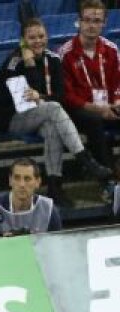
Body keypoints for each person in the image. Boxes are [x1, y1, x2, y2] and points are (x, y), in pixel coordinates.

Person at [0, 17, 113, 207]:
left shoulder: (53, 59)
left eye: (41, 36)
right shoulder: (13, 62)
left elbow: (60, 95)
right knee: (54, 109)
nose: (37, 41)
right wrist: (30, 64)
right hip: (14, 118)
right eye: (32, 38)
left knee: (52, 128)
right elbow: (22, 103)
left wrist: (40, 97)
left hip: (43, 114)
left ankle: (54, 188)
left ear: (47, 36)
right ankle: (85, 159)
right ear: (23, 40)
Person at [56, 0, 120, 182]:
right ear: (79, 22)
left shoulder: (112, 50)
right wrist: (99, 109)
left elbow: (118, 83)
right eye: (87, 20)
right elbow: (67, 96)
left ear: (104, 23)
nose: (92, 25)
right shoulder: (65, 53)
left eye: (97, 20)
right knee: (93, 122)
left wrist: (116, 103)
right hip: (80, 111)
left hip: (109, 105)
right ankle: (108, 181)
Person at [0, 157, 63, 239]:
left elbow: (58, 249)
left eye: (27, 179)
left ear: (38, 182)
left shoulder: (49, 210)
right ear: (10, 180)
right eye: (17, 178)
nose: (22, 184)